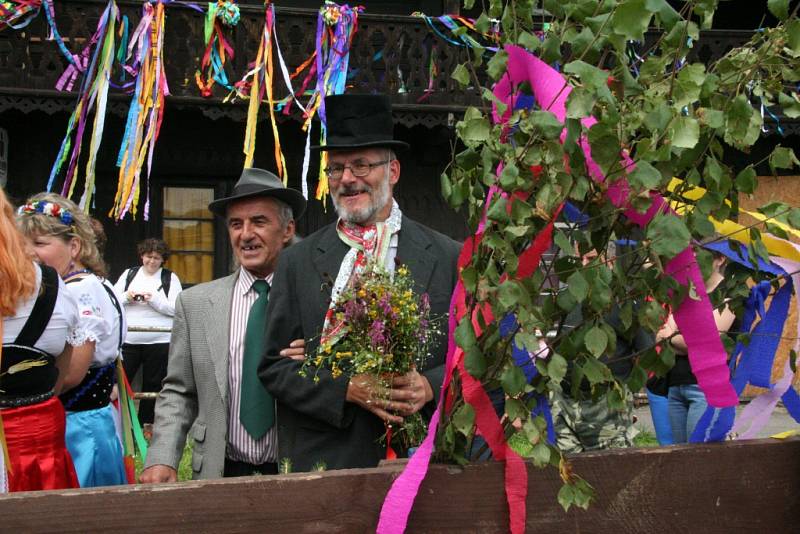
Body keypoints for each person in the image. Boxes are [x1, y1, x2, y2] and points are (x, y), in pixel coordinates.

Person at [259, 94, 461, 472]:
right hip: (330, 461)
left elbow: (470, 353)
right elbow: (273, 368)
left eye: (361, 165)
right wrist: (346, 388)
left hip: (424, 460)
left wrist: (431, 385)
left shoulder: (448, 255)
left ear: (393, 171)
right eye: (336, 168)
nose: (347, 179)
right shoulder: (297, 262)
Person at [140, 168, 306, 482]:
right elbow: (178, 391)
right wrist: (161, 457)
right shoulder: (196, 304)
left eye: (259, 221)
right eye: (235, 224)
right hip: (219, 472)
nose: (245, 234)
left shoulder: (316, 302)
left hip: (296, 474)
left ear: (287, 230)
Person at [16, 192, 128, 487]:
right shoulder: (95, 283)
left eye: (40, 244)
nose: (29, 253)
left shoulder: (78, 291)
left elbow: (72, 375)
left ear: (74, 246)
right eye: (22, 245)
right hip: (93, 421)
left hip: (78, 427)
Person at [1, 187, 82, 492]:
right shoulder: (55, 286)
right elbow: (59, 376)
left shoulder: (61, 287)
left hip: (35, 438)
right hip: (38, 434)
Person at [550, 244, 653, 453]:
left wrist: (624, 396)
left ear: (611, 263)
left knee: (610, 473)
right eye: (579, 259)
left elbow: (646, 352)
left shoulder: (624, 302)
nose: (583, 265)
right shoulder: (565, 299)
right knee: (568, 475)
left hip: (606, 409)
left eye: (591, 258)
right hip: (564, 403)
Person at [657, 246, 736, 443]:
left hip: (705, 389)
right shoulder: (687, 294)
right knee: (680, 458)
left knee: (699, 457)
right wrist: (681, 338)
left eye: (699, 257)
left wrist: (674, 336)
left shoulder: (730, 296)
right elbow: (660, 334)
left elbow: (708, 342)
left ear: (720, 259)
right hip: (676, 385)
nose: (692, 264)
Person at [114, 238, 182, 430]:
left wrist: (155, 301)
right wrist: (128, 297)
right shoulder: (129, 274)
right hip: (130, 339)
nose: (152, 261)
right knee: (121, 382)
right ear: (141, 256)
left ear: (163, 260)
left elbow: (177, 308)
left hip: (160, 339)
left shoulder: (170, 278)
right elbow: (114, 300)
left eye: (156, 258)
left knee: (153, 385)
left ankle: (147, 426)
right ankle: (122, 425)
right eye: (148, 256)